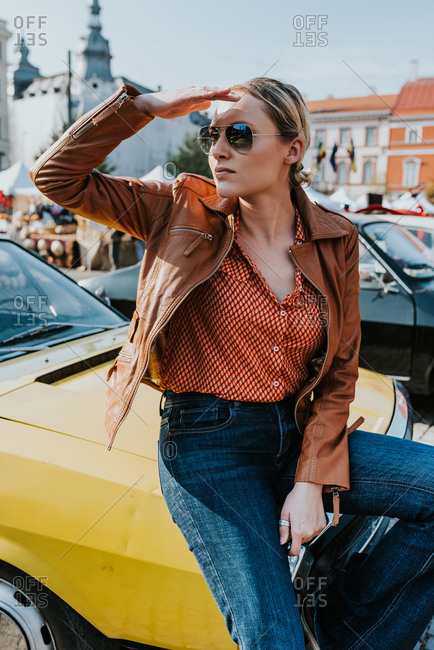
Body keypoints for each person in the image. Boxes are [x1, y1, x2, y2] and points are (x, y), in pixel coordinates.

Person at [30, 78, 434, 650]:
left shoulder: (335, 237)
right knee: (272, 638)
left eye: (240, 135)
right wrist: (143, 108)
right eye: (212, 133)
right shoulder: (176, 210)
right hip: (207, 449)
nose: (217, 149)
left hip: (298, 433)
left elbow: (340, 370)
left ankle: (352, 631)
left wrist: (311, 478)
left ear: (293, 149)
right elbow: (55, 178)